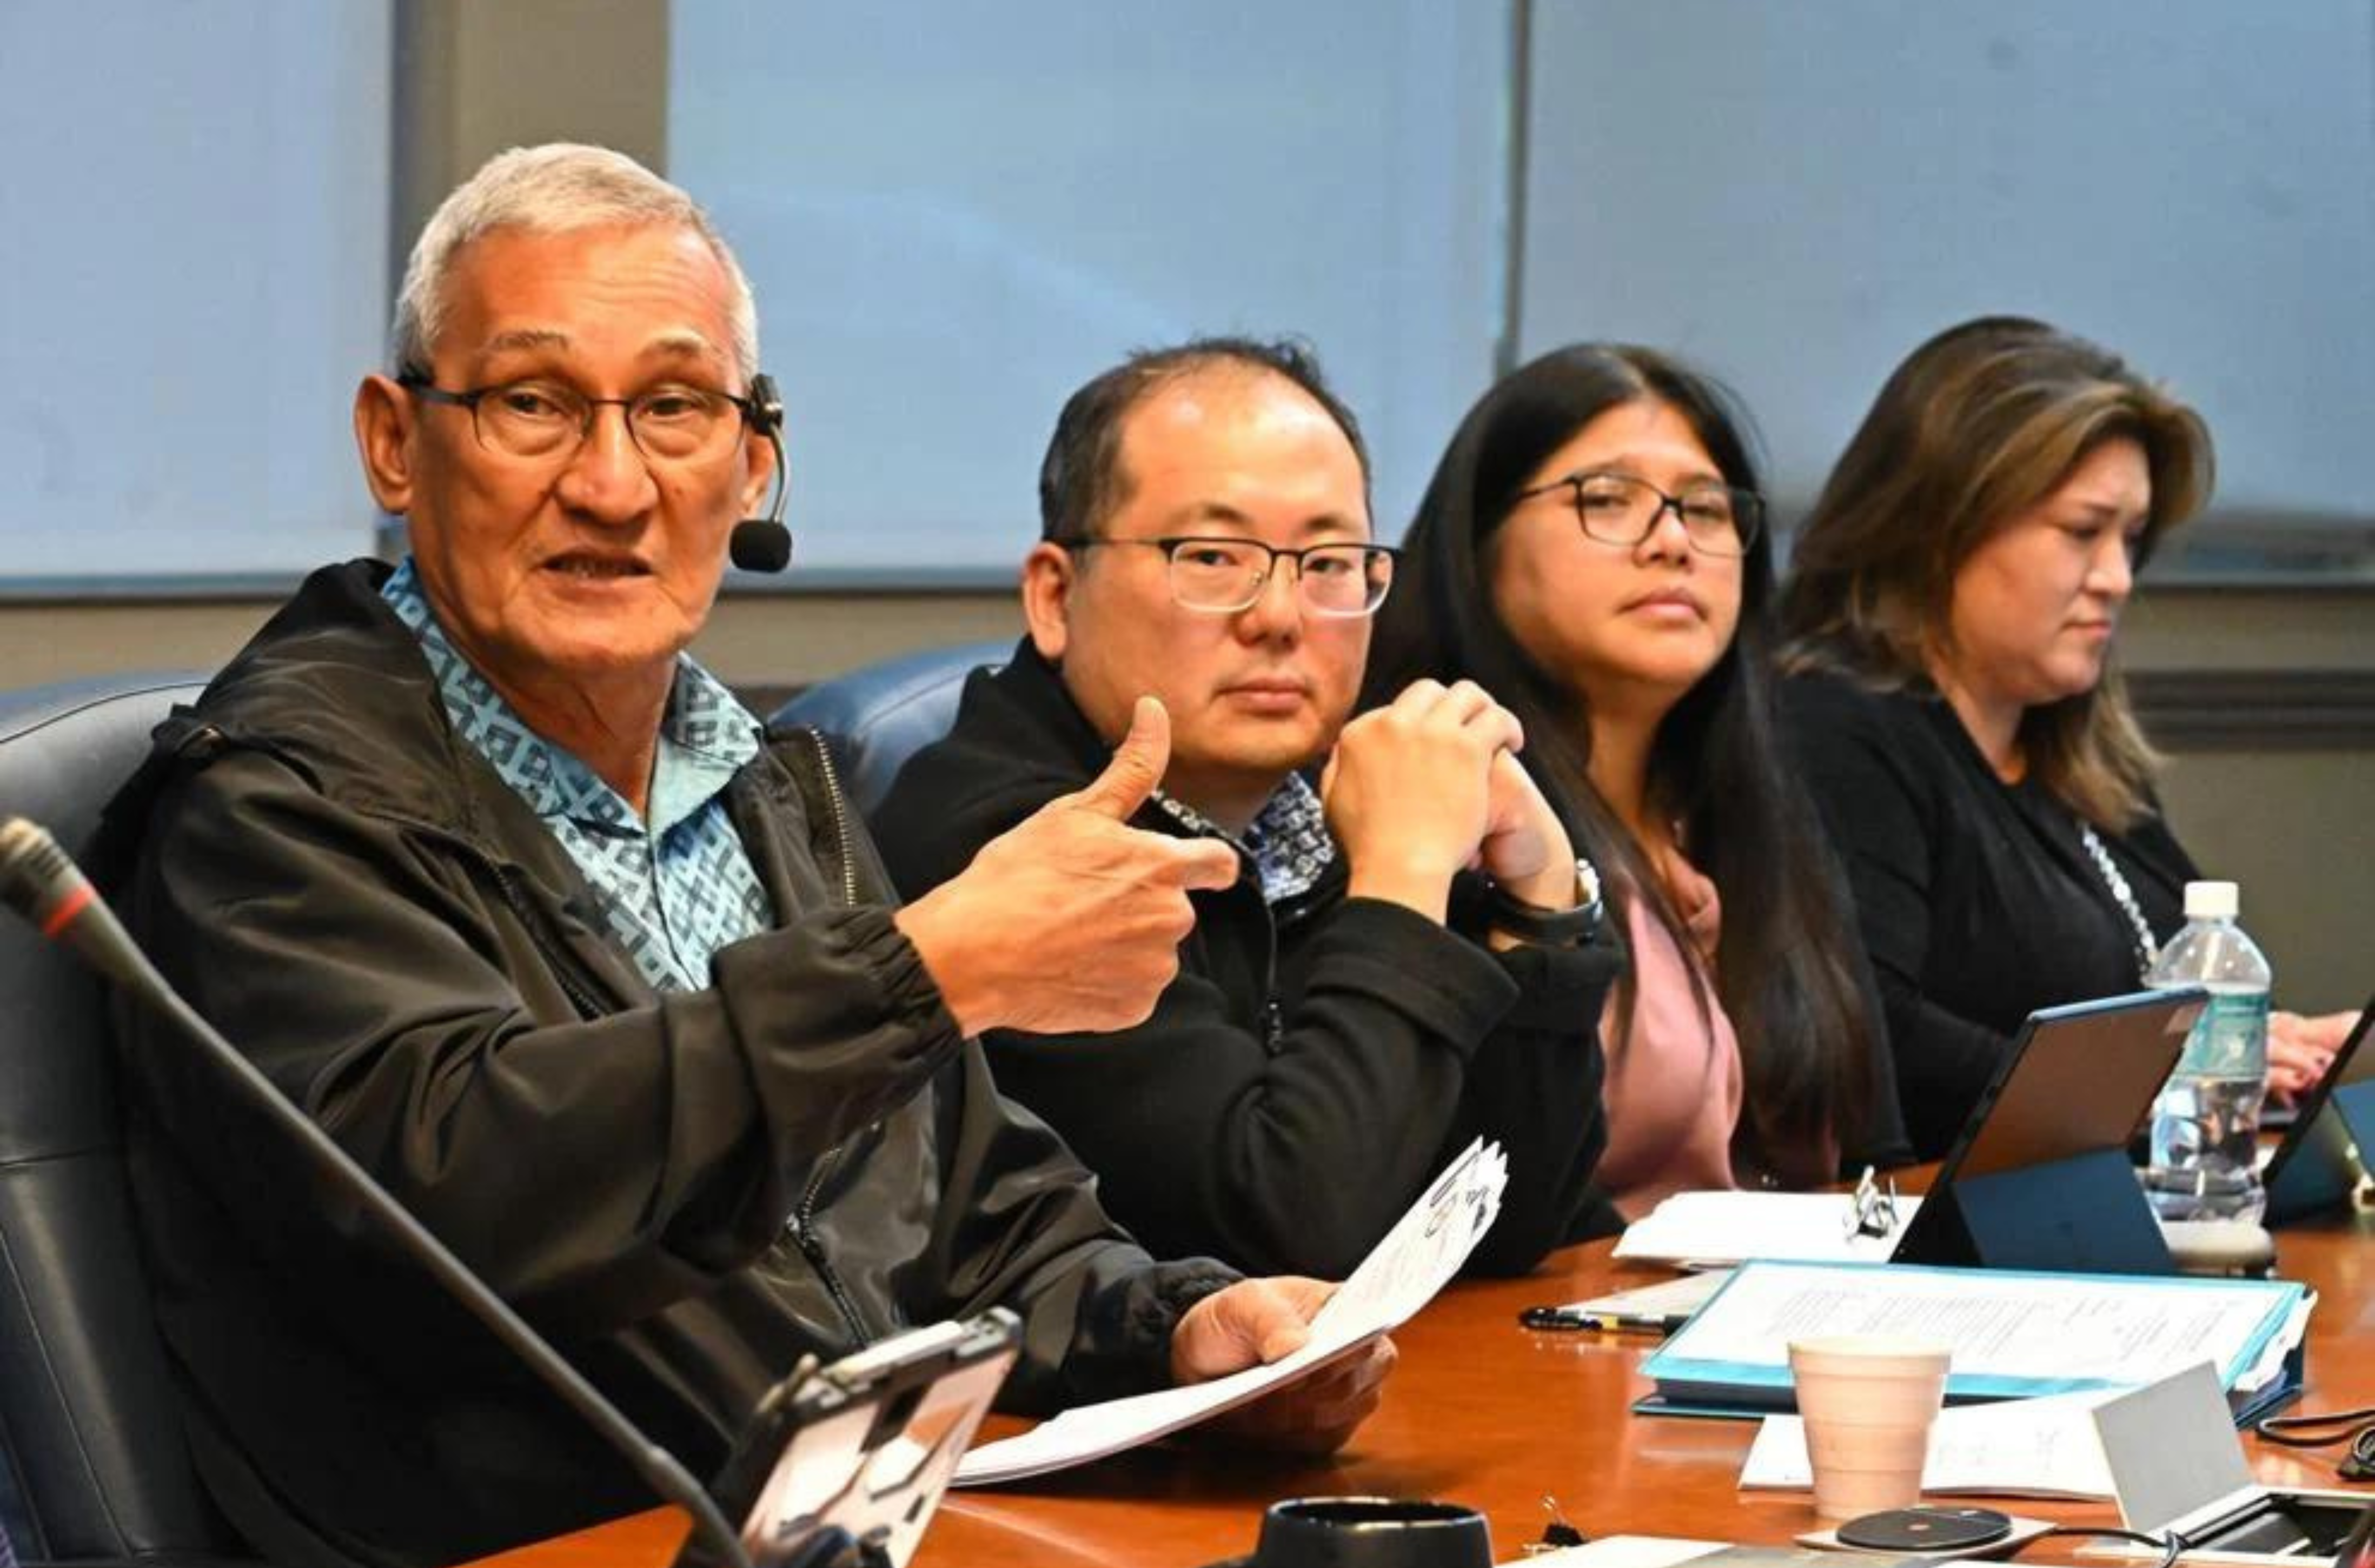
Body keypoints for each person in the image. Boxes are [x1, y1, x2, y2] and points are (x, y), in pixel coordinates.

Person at [102, 146, 1389, 1568]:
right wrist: (924, 970)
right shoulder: (271, 801)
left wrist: (1183, 1326)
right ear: (397, 442)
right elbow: (465, 1189)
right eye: (533, 402)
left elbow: (975, 1226)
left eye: (672, 410)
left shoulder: (767, 782)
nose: (611, 482)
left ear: (754, 462)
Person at [875, 338, 1623, 1279]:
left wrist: (1540, 905)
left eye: (1329, 563)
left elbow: (1511, 1222)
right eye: (1214, 556)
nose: (1280, 614)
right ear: (1056, 596)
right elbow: (1285, 1231)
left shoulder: (1311, 817)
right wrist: (1399, 887)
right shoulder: (1006, 842)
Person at [1775, 315, 2354, 1158]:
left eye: (2129, 540)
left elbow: (2172, 987)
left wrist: (2272, 1054)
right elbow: (1876, 1031)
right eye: (2083, 532)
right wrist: (2166, 1085)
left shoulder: (2076, 750)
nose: (2118, 580)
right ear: (1942, 526)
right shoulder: (1832, 728)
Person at [1365, 344, 1908, 1214]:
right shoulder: (1448, 803)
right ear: (1480, 543)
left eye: (1705, 509)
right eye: (1607, 500)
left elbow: (1870, 1139)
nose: (1672, 544)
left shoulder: (1751, 807)